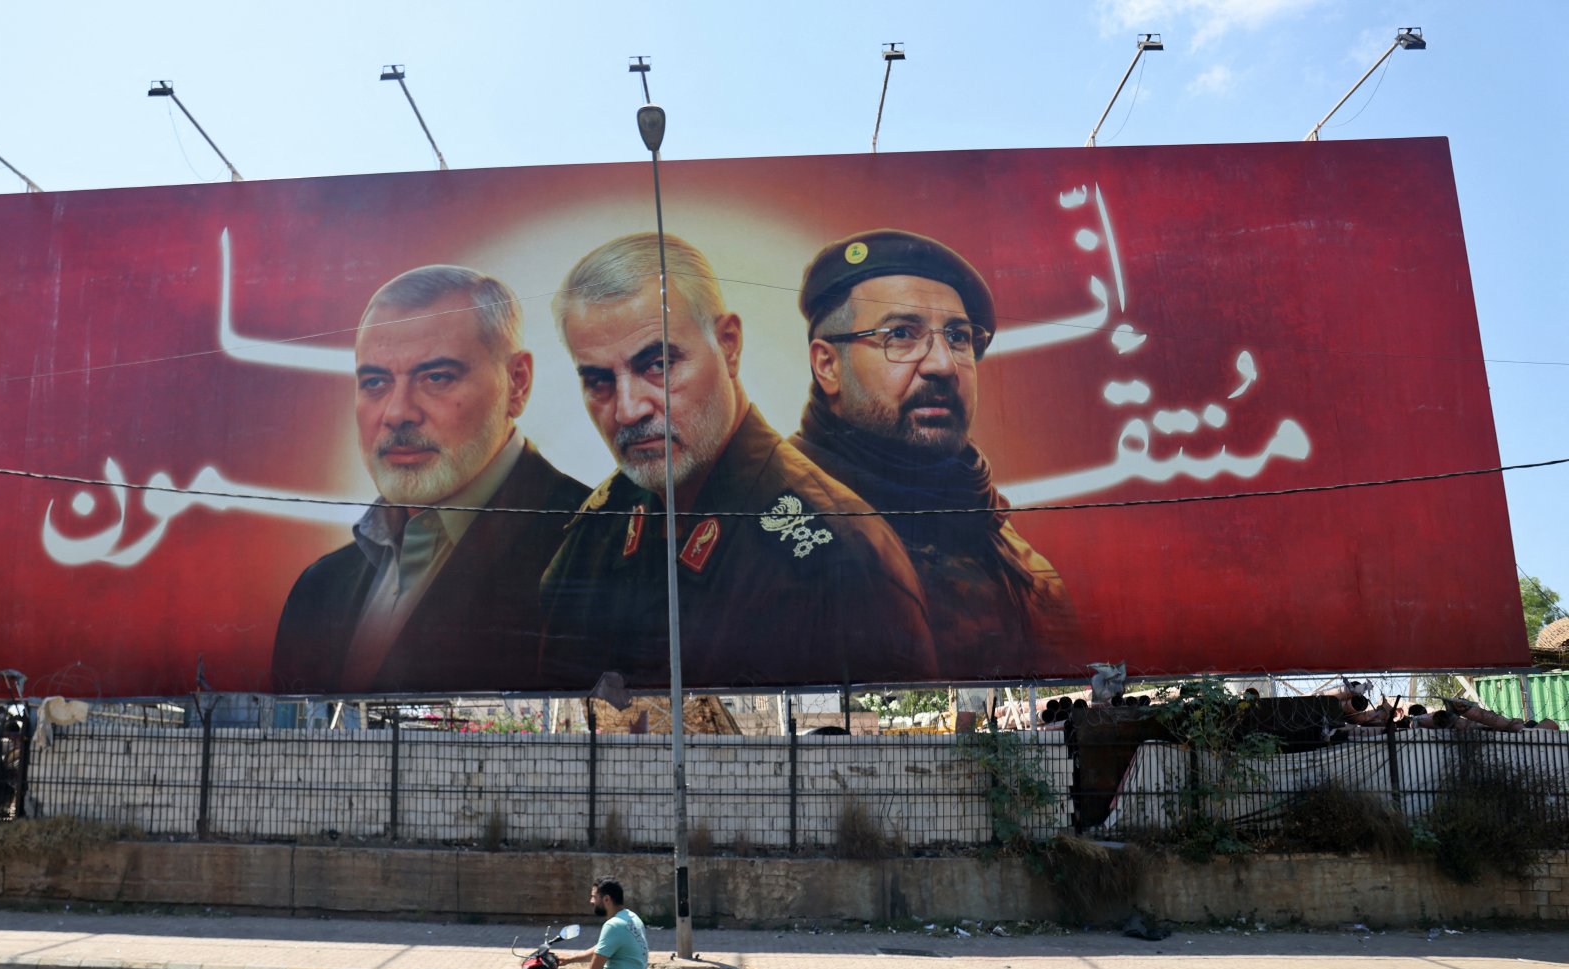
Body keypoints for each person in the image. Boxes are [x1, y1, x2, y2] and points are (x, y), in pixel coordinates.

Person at [538, 233, 938, 689]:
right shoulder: (592, 534)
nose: (629, 409)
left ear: (728, 345)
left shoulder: (842, 555)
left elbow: (886, 744)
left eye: (658, 364)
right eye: (599, 380)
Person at [272, 265, 588, 693]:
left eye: (436, 377)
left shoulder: (594, 551)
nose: (398, 412)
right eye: (376, 381)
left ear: (517, 383)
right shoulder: (319, 589)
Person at [789, 229, 1080, 677]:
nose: (943, 365)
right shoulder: (776, 524)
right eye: (901, 334)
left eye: (959, 337)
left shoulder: (1017, 560)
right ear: (828, 365)